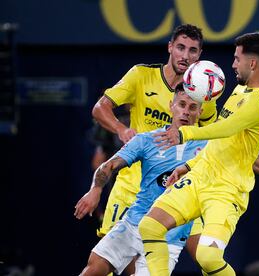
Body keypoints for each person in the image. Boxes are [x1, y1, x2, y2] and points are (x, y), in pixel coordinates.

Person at [138, 32, 259, 276]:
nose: (233, 64)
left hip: (226, 190)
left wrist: (184, 135)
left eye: (237, 59)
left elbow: (227, 128)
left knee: (208, 257)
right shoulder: (239, 90)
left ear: (252, 63)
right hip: (200, 177)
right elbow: (227, 145)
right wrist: (189, 165)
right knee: (150, 226)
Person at [89, 23, 217, 274]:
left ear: (199, 55)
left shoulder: (203, 94)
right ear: (170, 47)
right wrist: (121, 129)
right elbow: (100, 108)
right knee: (107, 265)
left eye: (192, 50)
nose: (185, 55)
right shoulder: (140, 75)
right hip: (132, 185)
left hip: (175, 188)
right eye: (180, 47)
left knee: (205, 255)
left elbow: (213, 141)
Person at [75, 84, 207, 275]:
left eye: (192, 107)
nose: (185, 112)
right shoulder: (147, 140)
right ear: (171, 105)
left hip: (167, 237)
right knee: (94, 267)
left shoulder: (209, 146)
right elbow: (108, 165)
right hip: (133, 223)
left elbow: (249, 159)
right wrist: (95, 190)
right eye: (182, 105)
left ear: (200, 112)